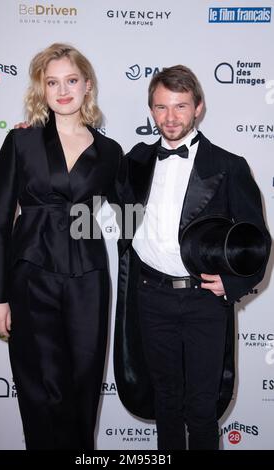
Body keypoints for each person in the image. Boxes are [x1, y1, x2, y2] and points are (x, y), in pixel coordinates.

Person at [114, 65, 270, 450]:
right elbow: (91, 174)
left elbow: (257, 239)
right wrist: (39, 135)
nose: (170, 117)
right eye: (161, 107)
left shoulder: (228, 165)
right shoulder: (135, 159)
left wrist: (234, 283)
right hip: (152, 296)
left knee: (201, 408)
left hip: (204, 301)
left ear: (198, 107)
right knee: (164, 402)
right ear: (151, 109)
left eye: (180, 106)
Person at [0, 43, 127, 450]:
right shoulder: (20, 141)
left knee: (83, 387)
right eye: (52, 82)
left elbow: (132, 218)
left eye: (71, 80)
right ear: (41, 89)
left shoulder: (110, 152)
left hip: (88, 279)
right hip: (31, 278)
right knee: (41, 390)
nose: (62, 90)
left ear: (87, 86)